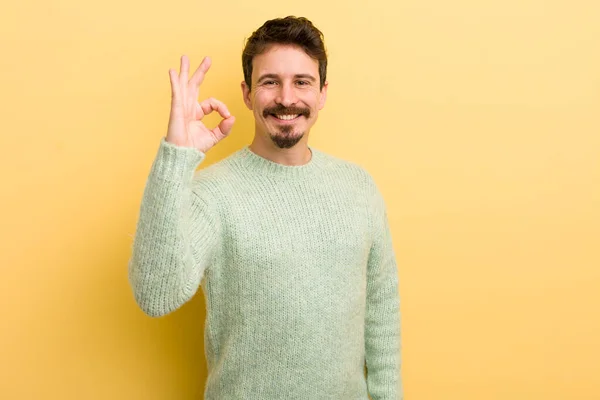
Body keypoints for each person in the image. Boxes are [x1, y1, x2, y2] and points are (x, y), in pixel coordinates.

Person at [128, 16, 402, 400]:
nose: (287, 98)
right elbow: (156, 295)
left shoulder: (359, 187)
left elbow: (381, 309)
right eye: (270, 82)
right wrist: (178, 156)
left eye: (302, 82)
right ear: (247, 93)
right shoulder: (213, 194)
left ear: (322, 93)